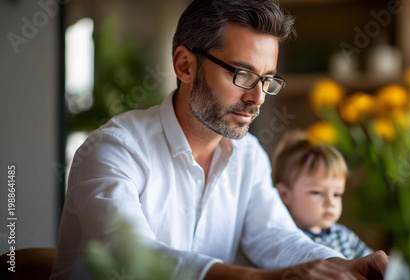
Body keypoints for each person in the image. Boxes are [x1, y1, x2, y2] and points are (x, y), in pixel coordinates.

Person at [50, 1, 389, 279]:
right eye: (242, 75)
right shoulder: (114, 149)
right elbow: (136, 259)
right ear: (185, 66)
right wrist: (262, 278)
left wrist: (341, 265)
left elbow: (276, 236)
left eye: (267, 79)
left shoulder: (248, 156)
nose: (257, 97)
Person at [273, 131, 373, 260]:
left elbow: (371, 264)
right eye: (317, 192)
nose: (331, 202)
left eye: (337, 194)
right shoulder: (283, 241)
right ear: (284, 194)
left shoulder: (344, 237)